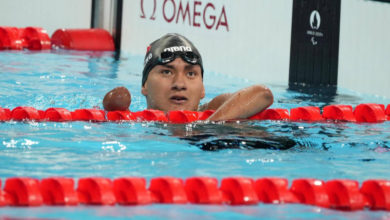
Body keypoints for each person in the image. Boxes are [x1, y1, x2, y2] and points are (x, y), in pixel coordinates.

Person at [103, 33, 273, 121]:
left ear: (203, 89)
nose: (179, 84)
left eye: (191, 73)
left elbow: (262, 94)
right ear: (145, 85)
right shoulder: (133, 121)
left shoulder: (212, 109)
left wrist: (209, 128)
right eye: (167, 72)